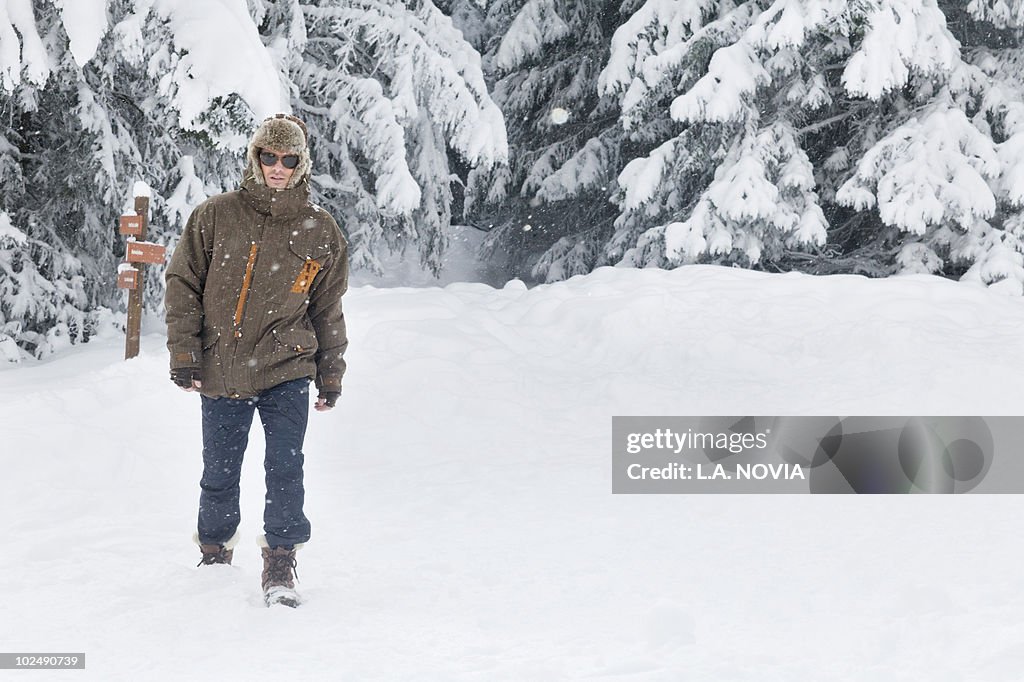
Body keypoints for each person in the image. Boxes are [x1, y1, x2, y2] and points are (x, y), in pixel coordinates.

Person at [164, 113, 348, 607]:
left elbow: (327, 307)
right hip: (222, 366)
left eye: (289, 159)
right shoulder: (216, 215)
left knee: (285, 468)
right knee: (220, 470)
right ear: (256, 158)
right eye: (270, 157)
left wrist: (330, 373)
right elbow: (183, 285)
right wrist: (185, 352)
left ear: (301, 164)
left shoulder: (319, 229)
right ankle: (214, 554)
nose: (278, 167)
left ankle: (280, 565)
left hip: (287, 365)